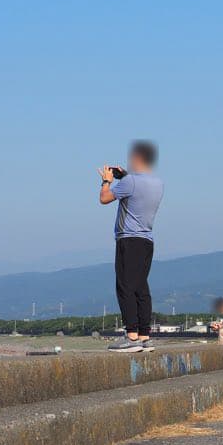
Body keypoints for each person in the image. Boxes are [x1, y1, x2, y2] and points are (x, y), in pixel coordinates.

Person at [98, 141, 164, 353]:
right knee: (141, 288)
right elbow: (136, 188)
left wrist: (106, 181)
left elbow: (104, 199)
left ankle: (131, 336)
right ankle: (144, 336)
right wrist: (124, 176)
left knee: (125, 286)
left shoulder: (130, 183)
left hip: (128, 239)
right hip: (147, 241)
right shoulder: (157, 183)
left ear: (137, 158)